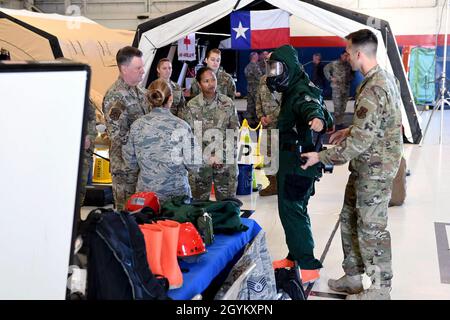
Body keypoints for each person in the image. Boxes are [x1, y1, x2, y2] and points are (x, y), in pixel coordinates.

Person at [300, 29, 403, 300]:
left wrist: (320, 157)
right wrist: (350, 130)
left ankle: (381, 289)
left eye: (347, 51)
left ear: (359, 54)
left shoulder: (374, 87)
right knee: (349, 219)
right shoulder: (379, 80)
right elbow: (377, 124)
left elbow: (358, 145)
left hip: (375, 170)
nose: (346, 56)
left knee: (371, 228)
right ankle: (354, 277)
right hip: (366, 167)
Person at [266, 45, 334, 283]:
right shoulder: (294, 87)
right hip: (291, 161)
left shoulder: (302, 91)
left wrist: (316, 119)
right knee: (293, 211)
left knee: (293, 212)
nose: (273, 74)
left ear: (291, 68)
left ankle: (307, 265)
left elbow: (312, 108)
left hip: (299, 162)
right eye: (271, 68)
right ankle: (293, 257)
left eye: (277, 68)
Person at [122, 79, 198, 203]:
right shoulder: (182, 126)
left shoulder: (136, 126)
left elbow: (130, 163)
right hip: (176, 199)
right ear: (171, 99)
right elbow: (195, 165)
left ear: (148, 100)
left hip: (146, 198)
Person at [102, 46, 149, 210]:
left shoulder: (141, 93)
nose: (143, 71)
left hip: (141, 166)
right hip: (125, 169)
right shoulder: (116, 97)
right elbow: (117, 135)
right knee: (126, 213)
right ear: (124, 69)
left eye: (142, 67)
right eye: (138, 68)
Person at [183, 67, 240, 200]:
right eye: (206, 81)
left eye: (213, 79)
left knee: (228, 203)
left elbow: (234, 131)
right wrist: (207, 156)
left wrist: (221, 154)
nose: (211, 84)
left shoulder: (227, 103)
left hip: (225, 161)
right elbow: (190, 136)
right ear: (199, 84)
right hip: (201, 162)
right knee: (198, 205)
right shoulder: (192, 106)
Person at [256, 74, 281, 197]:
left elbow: (286, 103)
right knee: (267, 155)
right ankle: (273, 184)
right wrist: (261, 116)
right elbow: (258, 98)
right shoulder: (263, 79)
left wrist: (270, 118)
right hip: (266, 125)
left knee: (281, 155)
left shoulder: (285, 78)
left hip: (281, 125)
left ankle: (283, 185)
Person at [324, 50, 354, 128]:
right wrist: (330, 78)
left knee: (343, 106)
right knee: (337, 106)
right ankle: (337, 124)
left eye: (347, 55)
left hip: (346, 88)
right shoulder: (334, 64)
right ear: (341, 55)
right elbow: (325, 69)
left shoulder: (349, 65)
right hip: (337, 89)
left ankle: (340, 122)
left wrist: (351, 78)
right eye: (345, 55)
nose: (346, 57)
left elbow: (352, 73)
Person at [244, 52, 263, 127]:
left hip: (249, 89)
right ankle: (257, 120)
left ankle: (249, 121)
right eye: (257, 56)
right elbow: (260, 77)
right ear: (254, 57)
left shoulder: (247, 67)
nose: (258, 58)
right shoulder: (255, 67)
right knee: (257, 105)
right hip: (256, 89)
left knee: (250, 105)